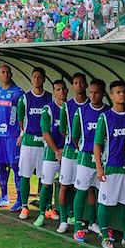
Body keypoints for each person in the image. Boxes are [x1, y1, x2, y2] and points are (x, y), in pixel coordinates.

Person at [93, 80, 125, 248]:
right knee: (105, 202)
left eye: (124, 92)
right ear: (111, 96)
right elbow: (97, 145)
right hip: (110, 166)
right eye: (118, 92)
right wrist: (99, 167)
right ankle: (104, 236)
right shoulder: (105, 117)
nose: (122, 95)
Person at [72, 79, 111, 243]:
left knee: (103, 193)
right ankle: (77, 228)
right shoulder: (81, 112)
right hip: (86, 158)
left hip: (103, 160)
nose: (93, 96)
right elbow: (75, 136)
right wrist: (83, 148)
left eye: (97, 93)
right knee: (81, 191)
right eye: (91, 92)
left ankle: (99, 226)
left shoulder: (108, 112)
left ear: (103, 94)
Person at [0, 65, 25, 209]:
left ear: (11, 74)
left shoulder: (18, 92)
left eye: (8, 72)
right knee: (0, 165)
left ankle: (19, 200)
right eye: (3, 72)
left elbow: (23, 115)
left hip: (12, 136)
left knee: (15, 166)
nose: (6, 74)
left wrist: (21, 133)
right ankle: (4, 197)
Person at [18, 67, 52, 220]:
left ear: (44, 79)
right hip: (29, 141)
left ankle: (47, 207)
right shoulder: (25, 99)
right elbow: (21, 121)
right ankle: (24, 206)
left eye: (39, 77)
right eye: (34, 77)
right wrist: (24, 133)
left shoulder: (50, 98)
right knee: (25, 174)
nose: (37, 79)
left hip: (45, 143)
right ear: (31, 79)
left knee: (46, 176)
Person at [58, 73, 89, 232]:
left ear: (86, 85)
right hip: (70, 151)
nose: (79, 85)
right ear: (72, 86)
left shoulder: (92, 104)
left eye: (81, 82)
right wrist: (72, 142)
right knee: (65, 185)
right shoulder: (67, 106)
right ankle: (63, 220)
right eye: (76, 83)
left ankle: (84, 220)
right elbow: (63, 130)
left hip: (86, 154)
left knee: (86, 188)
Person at [39, 79, 68, 229]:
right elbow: (46, 133)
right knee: (46, 183)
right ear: (54, 92)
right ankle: (41, 213)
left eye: (63, 88)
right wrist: (57, 151)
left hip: (67, 153)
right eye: (58, 89)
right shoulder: (48, 109)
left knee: (66, 184)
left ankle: (66, 216)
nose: (61, 91)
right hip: (51, 153)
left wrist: (65, 150)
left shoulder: (71, 108)